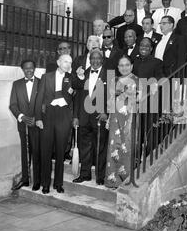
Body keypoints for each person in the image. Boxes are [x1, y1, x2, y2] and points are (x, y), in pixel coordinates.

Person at [35, 54, 74, 194]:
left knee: (60, 152)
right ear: (58, 62)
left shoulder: (72, 78)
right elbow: (39, 98)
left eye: (70, 62)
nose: (67, 64)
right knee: (46, 151)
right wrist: (38, 118)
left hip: (63, 116)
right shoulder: (46, 77)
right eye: (65, 61)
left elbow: (76, 95)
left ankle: (58, 183)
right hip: (48, 116)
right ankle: (45, 183)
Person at [72, 49, 109, 186]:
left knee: (100, 147)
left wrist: (106, 112)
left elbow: (111, 96)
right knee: (84, 147)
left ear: (102, 59)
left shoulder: (109, 74)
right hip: (83, 116)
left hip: (100, 116)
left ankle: (100, 176)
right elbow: (76, 96)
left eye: (98, 58)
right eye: (92, 58)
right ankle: (85, 174)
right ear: (89, 60)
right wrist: (75, 116)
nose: (95, 61)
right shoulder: (83, 73)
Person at [105, 56, 139, 189]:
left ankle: (127, 181)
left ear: (131, 66)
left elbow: (139, 101)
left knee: (127, 148)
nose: (124, 67)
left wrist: (131, 121)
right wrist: (109, 118)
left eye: (127, 65)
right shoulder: (114, 80)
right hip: (115, 118)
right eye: (121, 65)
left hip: (129, 118)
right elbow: (110, 101)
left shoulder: (137, 80)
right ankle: (113, 181)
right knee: (114, 148)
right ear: (118, 67)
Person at [9, 60, 41, 191]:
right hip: (23, 125)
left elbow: (45, 104)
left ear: (35, 68)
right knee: (25, 153)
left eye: (31, 68)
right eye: (26, 68)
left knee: (37, 153)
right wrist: (22, 117)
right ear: (23, 69)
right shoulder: (16, 84)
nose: (29, 70)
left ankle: (37, 181)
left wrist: (37, 118)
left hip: (37, 124)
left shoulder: (41, 82)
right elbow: (13, 105)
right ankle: (26, 180)